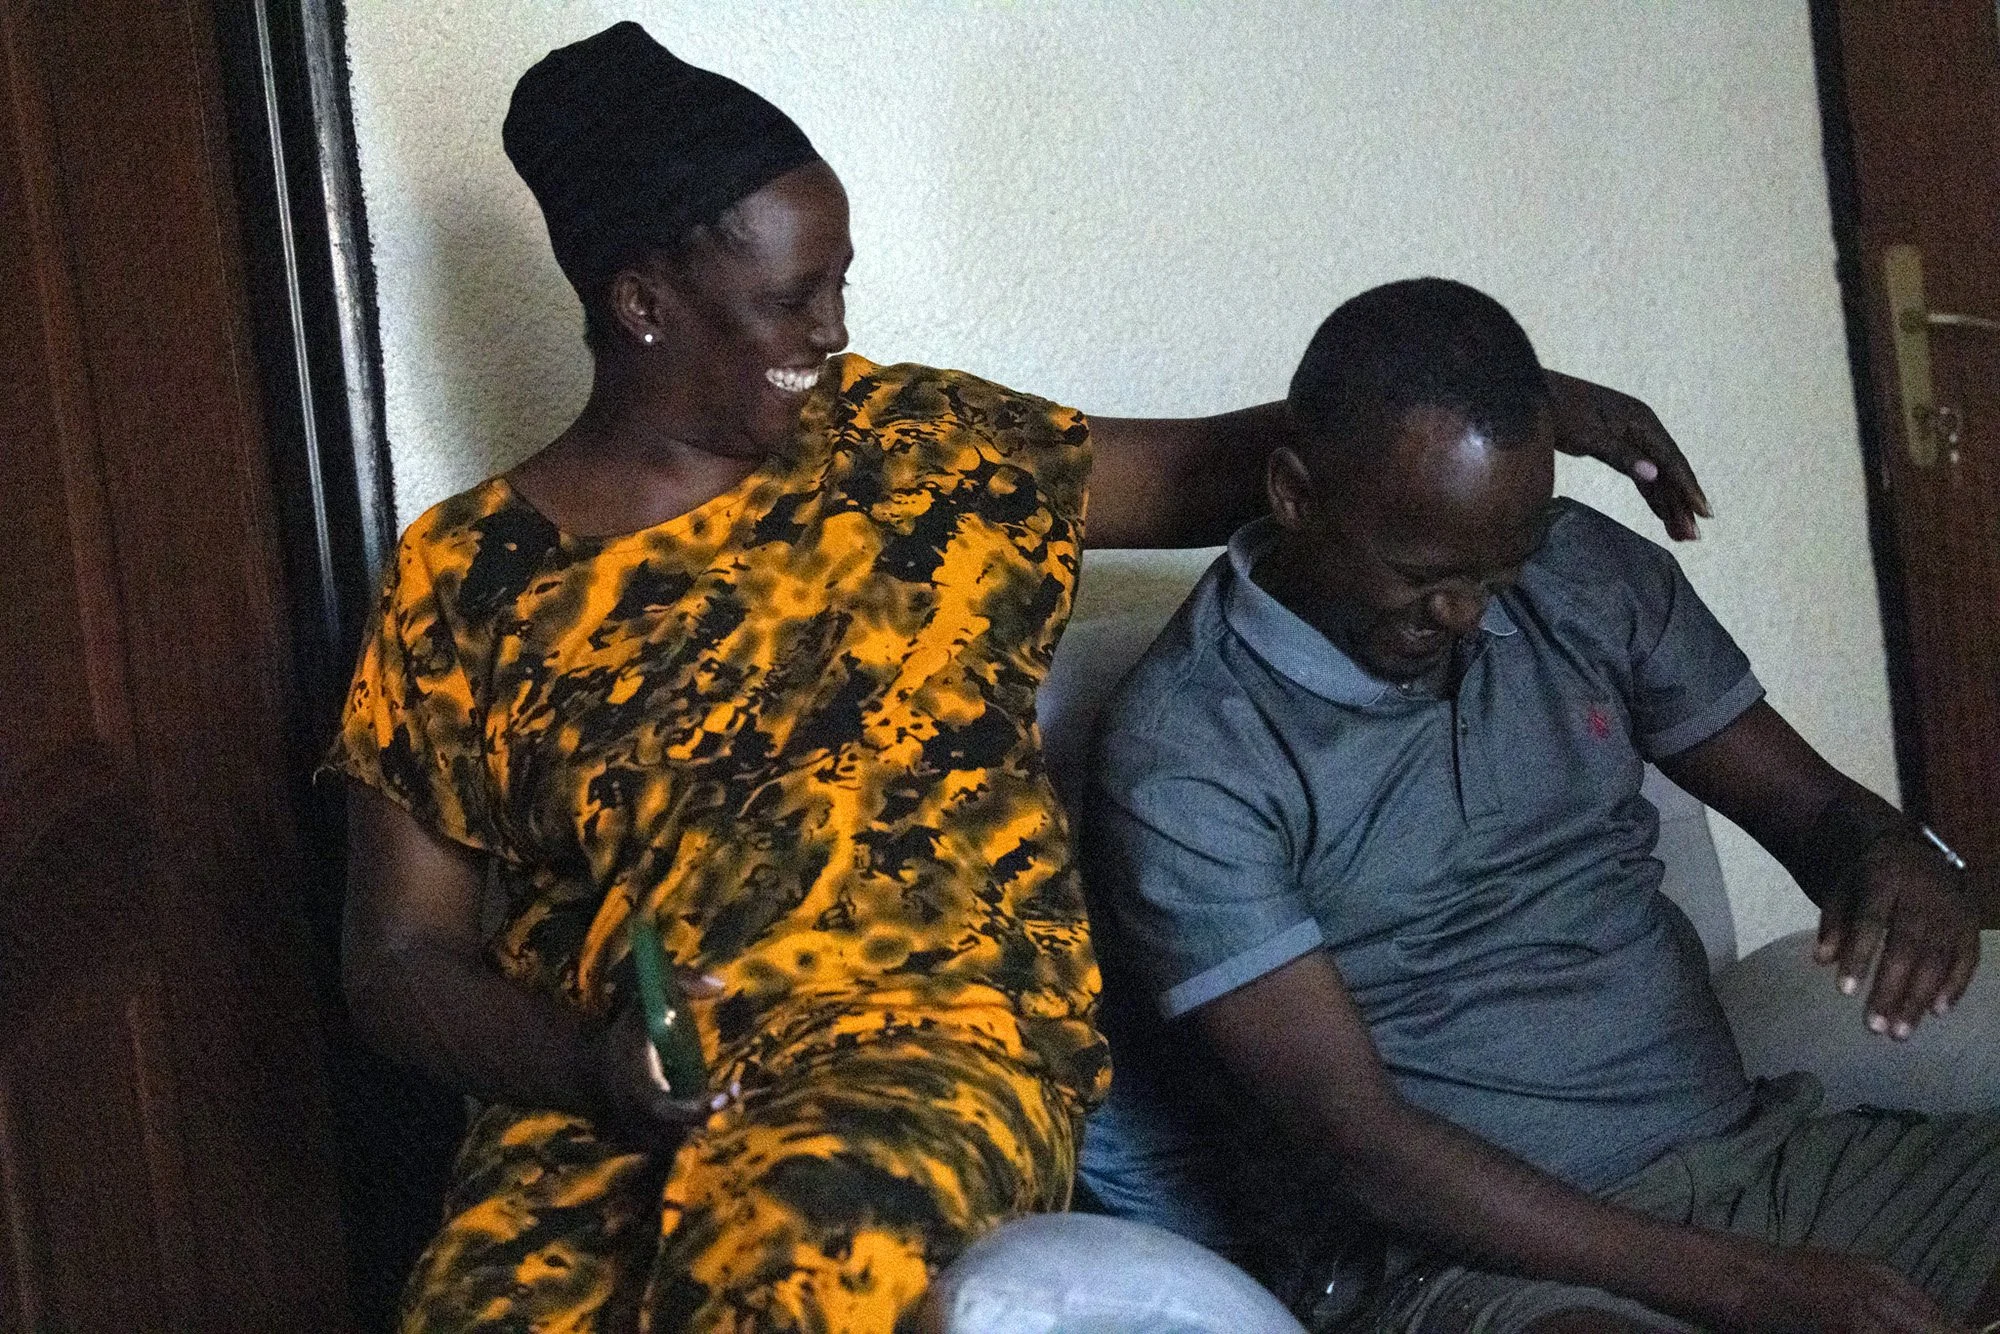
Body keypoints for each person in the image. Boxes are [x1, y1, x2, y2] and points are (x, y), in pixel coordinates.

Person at [331, 25, 1708, 1334]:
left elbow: (1239, 469)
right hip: (613, 1090)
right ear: (641, 302)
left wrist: (1532, 405)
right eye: (790, 299)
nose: (834, 327)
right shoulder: (465, 578)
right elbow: (397, 958)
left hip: (925, 1050)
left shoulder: (920, 450)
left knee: (788, 1266)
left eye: (843, 279)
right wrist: (587, 1067)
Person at [1078, 276, 1998, 1333]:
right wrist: (1747, 1285)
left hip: (1754, 1169)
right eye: (1424, 572)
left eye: (1498, 567)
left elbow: (1814, 813)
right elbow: (1357, 1142)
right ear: (1290, 491)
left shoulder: (1579, 578)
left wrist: (1891, 854)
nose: (1468, 613)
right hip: (1466, 1266)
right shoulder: (1189, 748)